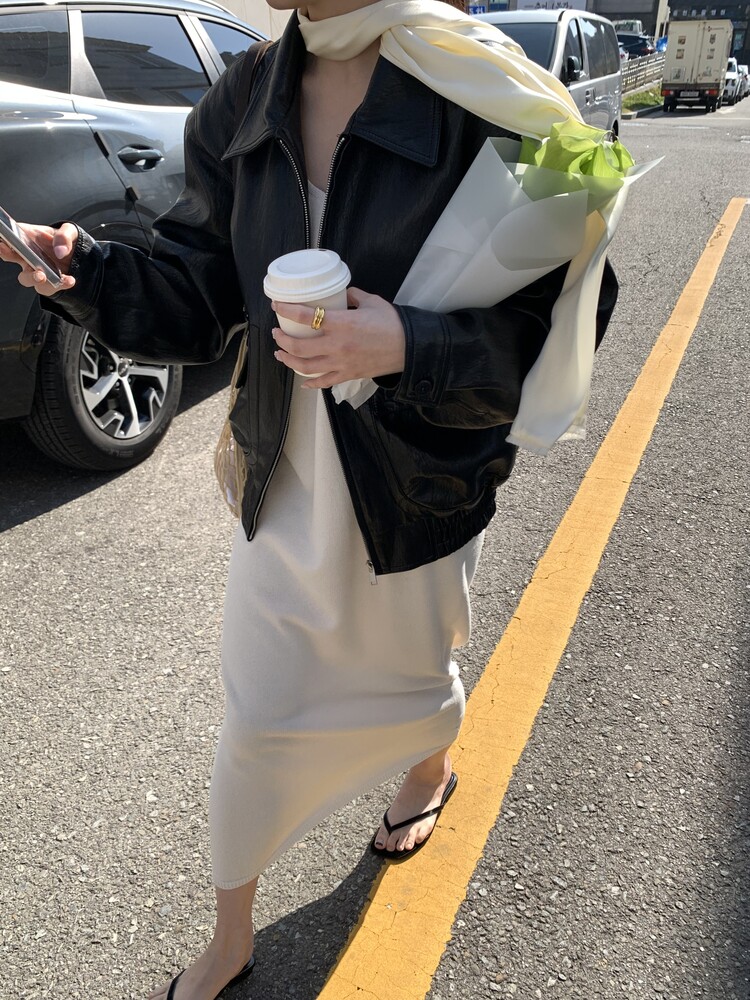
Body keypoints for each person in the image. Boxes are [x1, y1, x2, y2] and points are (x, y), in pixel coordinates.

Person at [0, 0, 618, 997]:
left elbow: (568, 316)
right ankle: (231, 934)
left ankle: (428, 765)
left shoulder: (485, 84)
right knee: (258, 716)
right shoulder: (246, 96)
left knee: (417, 668)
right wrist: (87, 273)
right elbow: (202, 294)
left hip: (417, 471)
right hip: (285, 468)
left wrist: (408, 343)